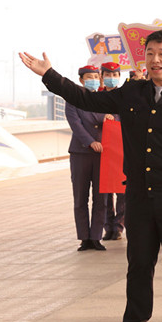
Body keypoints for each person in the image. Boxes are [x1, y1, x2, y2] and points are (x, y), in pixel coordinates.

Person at [21, 28, 162, 322]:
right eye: (150, 54)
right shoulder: (131, 93)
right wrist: (49, 75)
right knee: (138, 265)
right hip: (138, 196)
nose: (155, 60)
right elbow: (85, 99)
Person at [64, 64, 109, 252]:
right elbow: (75, 124)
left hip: (103, 153)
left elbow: (117, 118)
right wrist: (90, 142)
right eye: (89, 77)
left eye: (96, 77)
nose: (93, 80)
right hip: (81, 153)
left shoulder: (105, 99)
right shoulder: (73, 99)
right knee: (80, 197)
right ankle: (84, 238)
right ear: (81, 80)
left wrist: (110, 118)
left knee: (101, 198)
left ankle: (96, 237)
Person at [99, 61, 126, 241]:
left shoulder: (124, 96)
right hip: (101, 149)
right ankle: (108, 226)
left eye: (114, 75)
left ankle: (118, 226)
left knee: (122, 190)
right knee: (105, 191)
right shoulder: (96, 97)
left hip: (120, 149)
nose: (111, 78)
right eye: (108, 75)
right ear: (102, 76)